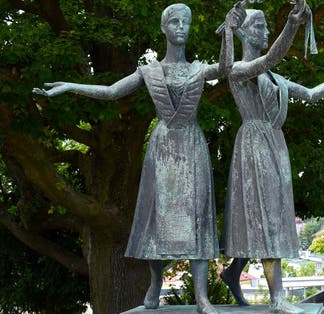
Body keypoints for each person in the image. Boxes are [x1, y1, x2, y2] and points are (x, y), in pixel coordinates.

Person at [33, 4, 244, 314]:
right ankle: (155, 283)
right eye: (175, 21)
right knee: (156, 219)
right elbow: (111, 91)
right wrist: (70, 87)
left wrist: (228, 32)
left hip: (191, 146)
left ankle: (202, 297)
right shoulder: (149, 71)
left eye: (186, 22)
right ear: (164, 28)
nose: (181, 27)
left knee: (197, 217)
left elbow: (226, 69)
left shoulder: (199, 69)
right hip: (162, 150)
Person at [219, 1, 324, 313]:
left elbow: (312, 94)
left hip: (273, 145)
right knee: (267, 217)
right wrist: (292, 24)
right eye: (260, 27)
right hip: (254, 145)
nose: (265, 32)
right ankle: (277, 299)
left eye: (266, 27)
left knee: (265, 216)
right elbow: (273, 55)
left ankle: (234, 273)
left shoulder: (274, 78)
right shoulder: (238, 69)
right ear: (245, 33)